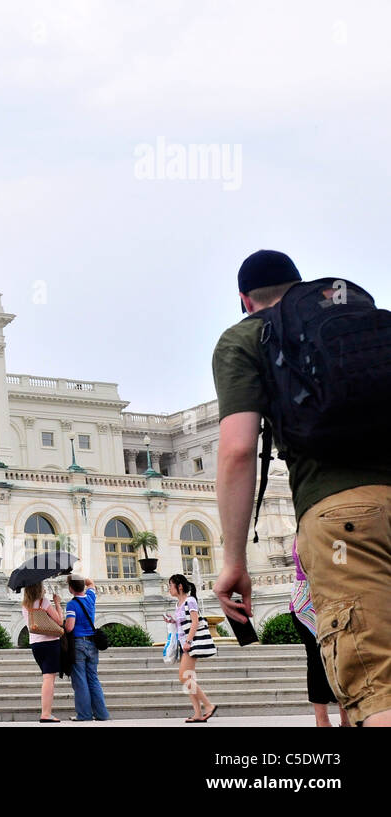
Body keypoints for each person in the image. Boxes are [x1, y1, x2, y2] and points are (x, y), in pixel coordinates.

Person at [212, 249, 391, 726]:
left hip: (343, 521)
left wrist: (233, 561)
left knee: (377, 689)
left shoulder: (247, 337)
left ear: (245, 301)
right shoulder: (360, 325)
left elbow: (236, 450)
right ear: (300, 288)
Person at [290, 538, 350, 727]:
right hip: (310, 603)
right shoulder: (307, 530)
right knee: (319, 661)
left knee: (340, 660)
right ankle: (322, 721)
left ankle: (344, 720)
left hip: (328, 600)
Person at [165, 573, 217, 722]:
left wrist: (188, 641)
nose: (169, 589)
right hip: (184, 644)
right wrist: (172, 621)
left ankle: (208, 705)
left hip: (190, 644)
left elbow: (195, 622)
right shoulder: (178, 604)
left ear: (179, 586)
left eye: (171, 585)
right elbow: (183, 623)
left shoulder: (190, 601)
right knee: (188, 678)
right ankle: (198, 713)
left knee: (184, 676)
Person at [63, 575, 110, 721]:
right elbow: (91, 582)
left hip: (78, 644)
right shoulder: (91, 597)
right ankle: (102, 714)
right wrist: (78, 577)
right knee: (93, 679)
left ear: (71, 589)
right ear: (82, 586)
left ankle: (84, 715)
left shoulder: (72, 604)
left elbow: (69, 627)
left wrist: (62, 624)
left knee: (80, 680)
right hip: (92, 644)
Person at [21, 581, 65, 722]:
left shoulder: (25, 605)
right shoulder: (44, 602)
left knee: (47, 677)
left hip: (35, 644)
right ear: (38, 588)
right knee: (48, 678)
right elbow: (59, 621)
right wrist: (57, 603)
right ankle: (46, 714)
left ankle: (46, 713)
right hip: (50, 642)